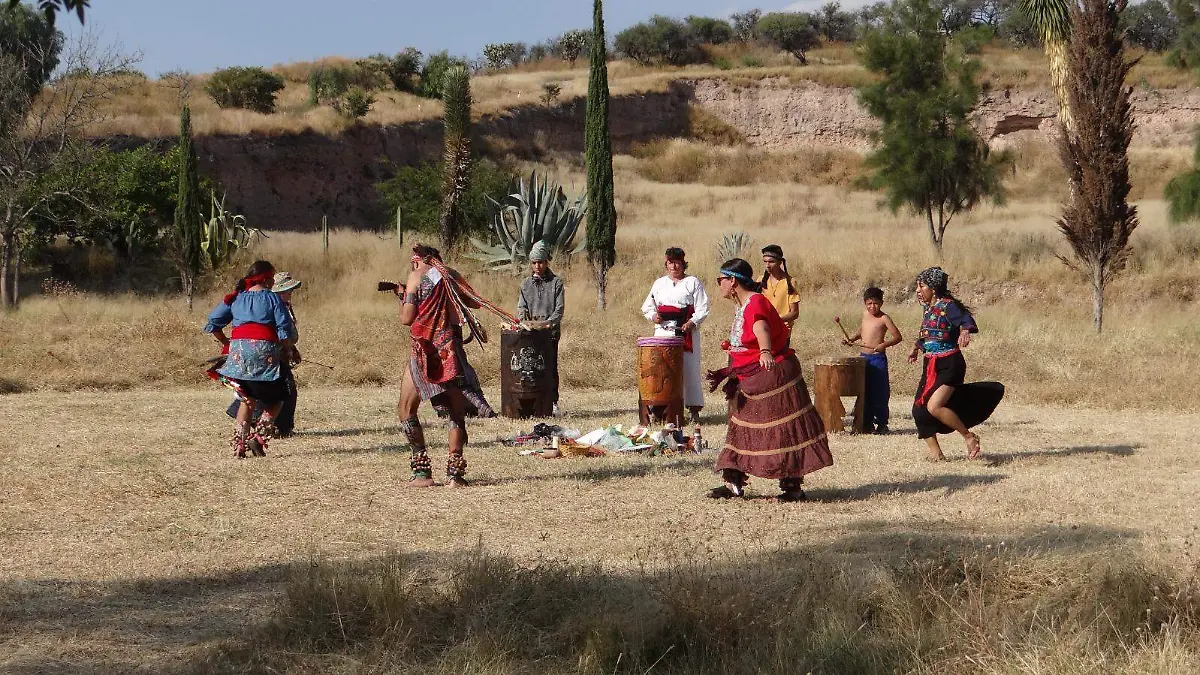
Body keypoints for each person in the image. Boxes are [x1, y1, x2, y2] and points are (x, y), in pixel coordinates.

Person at [706, 258, 833, 502]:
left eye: (720, 280)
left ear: (732, 281)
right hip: (753, 376)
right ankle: (733, 484)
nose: (719, 285)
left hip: (772, 376)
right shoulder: (743, 304)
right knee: (742, 428)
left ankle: (792, 489)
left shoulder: (755, 302)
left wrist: (765, 351)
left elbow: (761, 327)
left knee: (781, 430)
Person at [394, 244, 489, 487]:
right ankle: (455, 475)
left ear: (417, 260)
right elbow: (475, 302)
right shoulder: (451, 275)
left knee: (406, 408)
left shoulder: (416, 276)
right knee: (455, 412)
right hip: (450, 350)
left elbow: (407, 318)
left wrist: (403, 296)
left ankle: (422, 472)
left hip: (425, 351)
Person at [907, 267, 1005, 461]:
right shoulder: (927, 308)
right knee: (919, 409)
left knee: (934, 406)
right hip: (930, 365)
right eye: (917, 286)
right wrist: (916, 347)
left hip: (950, 364)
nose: (918, 290)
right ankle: (937, 455)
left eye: (922, 286)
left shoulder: (949, 306)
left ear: (933, 288)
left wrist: (964, 331)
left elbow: (966, 319)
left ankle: (969, 437)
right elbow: (928, 332)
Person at [204, 260, 297, 459]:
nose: (273, 282)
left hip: (238, 354)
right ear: (266, 279)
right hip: (263, 353)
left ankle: (239, 445)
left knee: (247, 398)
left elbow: (213, 323)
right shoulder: (272, 299)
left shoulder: (236, 298)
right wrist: (288, 350)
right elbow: (284, 329)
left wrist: (228, 342)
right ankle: (259, 438)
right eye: (272, 278)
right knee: (277, 399)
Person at [225, 271, 302, 437]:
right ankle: (270, 429)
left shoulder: (283, 306)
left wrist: (292, 350)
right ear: (277, 291)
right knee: (279, 391)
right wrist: (287, 349)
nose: (290, 293)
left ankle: (246, 435)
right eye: (287, 289)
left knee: (254, 392)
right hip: (269, 356)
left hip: (264, 354)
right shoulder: (273, 306)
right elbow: (282, 332)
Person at [640, 247, 710, 424]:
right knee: (663, 371)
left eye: (677, 262)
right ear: (666, 264)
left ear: (683, 264)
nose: (674, 266)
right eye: (671, 262)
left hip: (685, 332)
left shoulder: (692, 282)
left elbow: (703, 307)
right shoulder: (659, 283)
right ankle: (660, 410)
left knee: (689, 370)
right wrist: (653, 316)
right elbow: (648, 306)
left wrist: (692, 322)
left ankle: (693, 410)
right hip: (663, 332)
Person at [842, 287, 903, 434]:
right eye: (869, 303)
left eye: (875, 303)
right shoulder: (865, 315)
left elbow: (897, 337)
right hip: (864, 359)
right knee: (864, 391)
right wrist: (851, 339)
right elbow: (862, 330)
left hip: (878, 359)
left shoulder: (884, 318)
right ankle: (865, 424)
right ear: (865, 303)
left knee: (880, 392)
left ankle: (882, 424)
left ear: (881, 303)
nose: (872, 307)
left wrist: (883, 345)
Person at [516, 241, 565, 416]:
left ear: (546, 262)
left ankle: (552, 402)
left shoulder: (556, 283)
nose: (537, 266)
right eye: (534, 262)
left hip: (549, 334)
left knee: (550, 368)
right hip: (530, 335)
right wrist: (525, 321)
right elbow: (522, 308)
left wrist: (545, 325)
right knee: (531, 368)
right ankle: (533, 402)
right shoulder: (525, 284)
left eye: (540, 262)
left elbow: (558, 311)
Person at [759, 244, 800, 330]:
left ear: (780, 262)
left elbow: (795, 312)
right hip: (764, 329)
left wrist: (777, 321)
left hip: (782, 330)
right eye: (765, 261)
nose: (767, 265)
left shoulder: (790, 282)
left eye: (771, 262)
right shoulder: (760, 280)